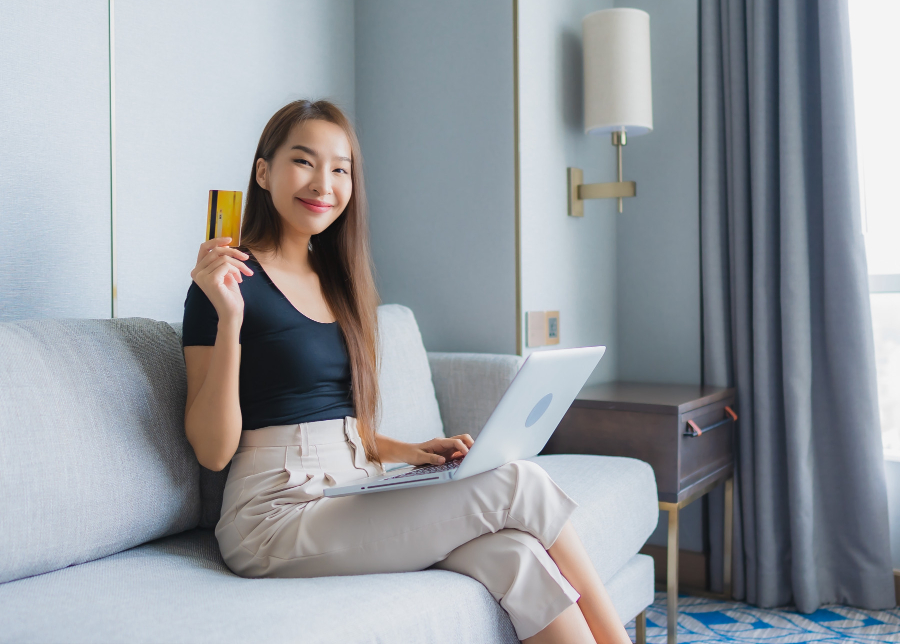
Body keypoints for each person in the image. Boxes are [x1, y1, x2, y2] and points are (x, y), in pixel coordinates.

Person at [181, 99, 632, 644]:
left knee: (517, 556)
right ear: (263, 171)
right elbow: (212, 450)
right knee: (522, 483)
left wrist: (410, 452)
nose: (323, 182)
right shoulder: (224, 284)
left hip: (352, 487)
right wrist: (230, 319)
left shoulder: (338, 282)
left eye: (341, 169)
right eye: (304, 161)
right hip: (273, 515)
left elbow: (336, 422)